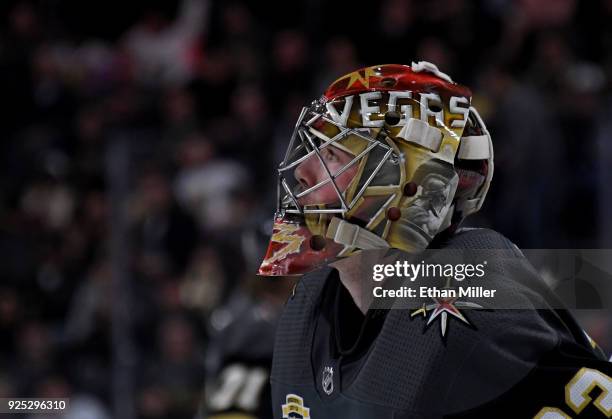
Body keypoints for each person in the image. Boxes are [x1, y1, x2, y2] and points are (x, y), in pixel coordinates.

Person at [258, 63, 612, 418]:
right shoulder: (309, 301)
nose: (303, 173)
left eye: (331, 154)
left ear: (409, 181)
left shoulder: (473, 299)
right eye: (312, 150)